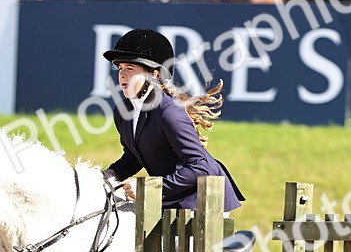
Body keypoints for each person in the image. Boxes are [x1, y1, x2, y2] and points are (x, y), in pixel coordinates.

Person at [102, 28, 245, 213]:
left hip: (203, 202)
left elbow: (200, 167)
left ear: (154, 74)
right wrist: (104, 178)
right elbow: (133, 157)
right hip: (170, 198)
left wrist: (148, 189)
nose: (122, 75)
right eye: (120, 68)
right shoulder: (124, 111)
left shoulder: (169, 112)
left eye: (130, 69)